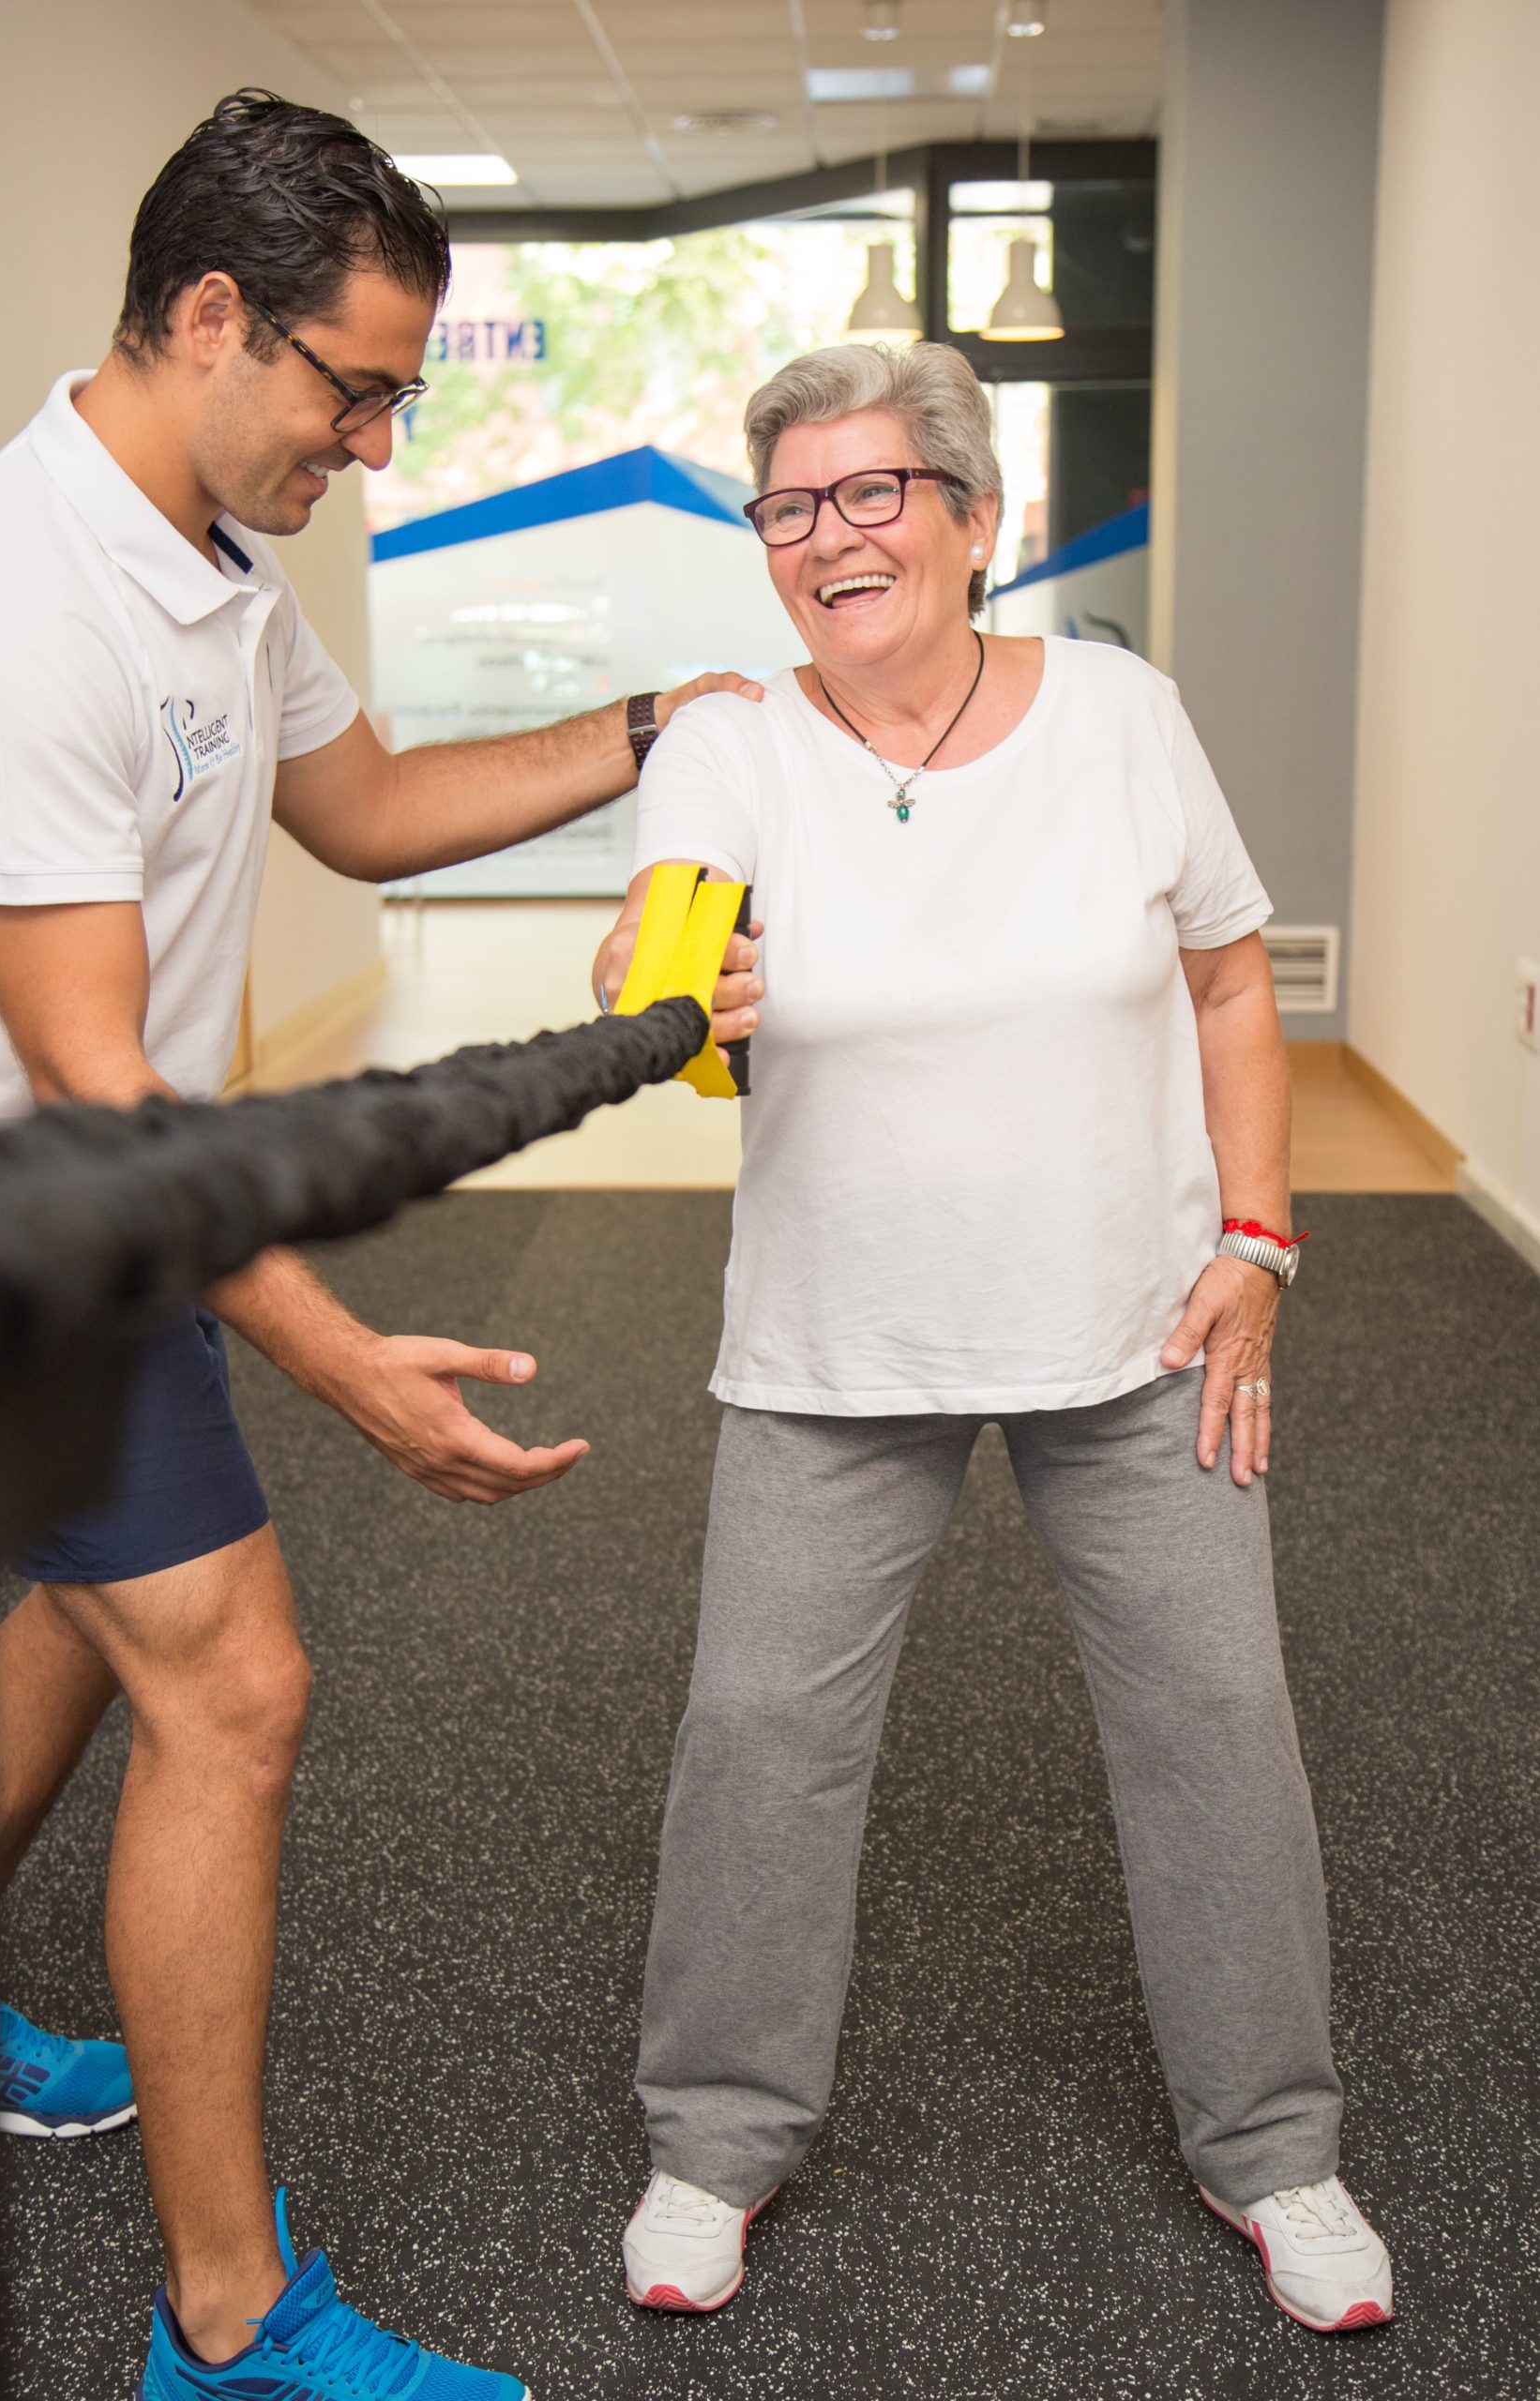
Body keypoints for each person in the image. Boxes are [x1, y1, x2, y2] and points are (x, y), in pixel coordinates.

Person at [0, 92, 762, 2400]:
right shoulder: (17, 605)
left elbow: (367, 808)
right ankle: (224, 2325)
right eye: (355, 385)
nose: (376, 443)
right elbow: (102, 1093)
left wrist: (644, 724)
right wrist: (339, 1357)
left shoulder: (206, 540)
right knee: (238, 1679)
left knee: (110, 1629)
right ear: (211, 314)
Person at [596, 340, 1394, 2337]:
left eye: (874, 492)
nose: (830, 535)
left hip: (1131, 1323)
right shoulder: (732, 744)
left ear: (971, 518)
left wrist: (1257, 1234)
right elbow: (654, 942)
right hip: (830, 1343)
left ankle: (1276, 2145)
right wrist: (667, 984)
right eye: (790, 504)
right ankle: (714, 2136)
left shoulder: (1119, 714)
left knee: (1217, 1724)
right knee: (758, 1739)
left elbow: (1225, 981)